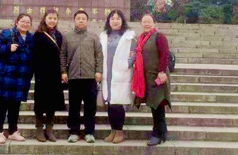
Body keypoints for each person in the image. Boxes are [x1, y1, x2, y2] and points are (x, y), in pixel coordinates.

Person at [0, 13, 34, 144]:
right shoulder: (7, 33)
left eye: (28, 22)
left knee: (15, 105)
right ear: (16, 22)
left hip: (21, 78)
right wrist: (7, 48)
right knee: (2, 105)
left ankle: (13, 131)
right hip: (5, 76)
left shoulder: (31, 38)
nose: (25, 24)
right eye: (23, 21)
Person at [60, 9, 103, 143]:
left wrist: (99, 71)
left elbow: (99, 55)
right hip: (73, 77)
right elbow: (63, 55)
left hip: (90, 77)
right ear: (74, 20)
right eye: (78, 18)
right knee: (74, 106)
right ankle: (74, 131)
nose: (81, 21)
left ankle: (89, 131)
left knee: (90, 106)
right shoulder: (67, 37)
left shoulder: (93, 37)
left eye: (83, 19)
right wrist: (63, 71)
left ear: (87, 21)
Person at [132, 13, 172, 146]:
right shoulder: (142, 38)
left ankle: (157, 134)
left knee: (158, 105)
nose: (147, 24)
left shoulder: (159, 36)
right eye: (144, 21)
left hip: (158, 77)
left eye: (149, 21)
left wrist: (162, 71)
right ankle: (162, 132)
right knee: (154, 105)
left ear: (154, 23)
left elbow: (165, 54)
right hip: (148, 77)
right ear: (141, 24)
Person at [99, 9, 136, 144]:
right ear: (109, 21)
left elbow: (134, 53)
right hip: (107, 73)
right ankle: (113, 130)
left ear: (122, 21)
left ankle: (119, 131)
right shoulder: (104, 36)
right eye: (112, 19)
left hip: (121, 73)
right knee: (110, 103)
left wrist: (126, 65)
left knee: (118, 104)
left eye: (118, 19)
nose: (115, 21)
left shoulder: (129, 36)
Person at [32, 9, 65, 142]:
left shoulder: (59, 35)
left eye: (54, 18)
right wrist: (37, 72)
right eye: (50, 18)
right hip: (42, 74)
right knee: (40, 102)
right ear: (45, 19)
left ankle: (49, 129)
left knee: (52, 102)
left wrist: (62, 72)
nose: (52, 21)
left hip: (55, 74)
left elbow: (62, 54)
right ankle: (39, 128)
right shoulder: (38, 35)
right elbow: (34, 55)